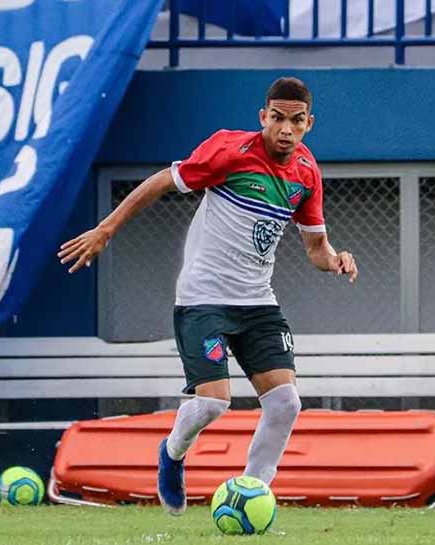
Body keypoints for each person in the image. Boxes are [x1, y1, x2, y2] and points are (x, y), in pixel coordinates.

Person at [58, 77, 357, 515]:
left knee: (285, 403)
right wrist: (106, 229)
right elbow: (162, 181)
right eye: (277, 118)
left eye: (295, 121)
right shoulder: (228, 151)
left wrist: (335, 259)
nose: (285, 129)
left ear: (309, 124)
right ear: (263, 117)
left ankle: (252, 495)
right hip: (204, 299)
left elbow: (315, 248)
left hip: (258, 302)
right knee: (214, 401)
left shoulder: (307, 174)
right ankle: (173, 453)